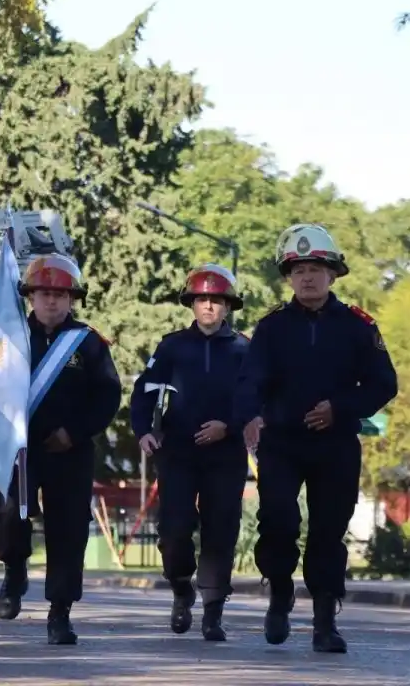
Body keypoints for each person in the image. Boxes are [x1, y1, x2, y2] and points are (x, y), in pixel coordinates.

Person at [235, 223, 398, 653]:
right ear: (288, 277)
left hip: (337, 446)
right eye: (298, 269)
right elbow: (251, 380)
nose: (307, 277)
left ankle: (325, 622)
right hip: (282, 444)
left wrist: (340, 408)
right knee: (278, 521)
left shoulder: (359, 326)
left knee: (328, 532)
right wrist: (249, 416)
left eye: (316, 268)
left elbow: (384, 384)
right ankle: (279, 594)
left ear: (333, 273)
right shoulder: (271, 328)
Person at [0, 253, 122, 645]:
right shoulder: (6, 339)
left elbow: (108, 397)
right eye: (45, 293)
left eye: (61, 295)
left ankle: (60, 612)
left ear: (72, 299)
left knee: (68, 531)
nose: (52, 302)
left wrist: (76, 432)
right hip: (19, 450)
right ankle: (14, 568)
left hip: (71, 450)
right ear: (30, 296)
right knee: (9, 516)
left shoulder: (89, 344)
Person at [129, 263, 250, 642]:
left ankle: (213, 611)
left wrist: (228, 427)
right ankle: (182, 588)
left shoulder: (245, 349)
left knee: (221, 531)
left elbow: (256, 399)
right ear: (192, 304)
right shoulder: (172, 346)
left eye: (216, 300)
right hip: (178, 451)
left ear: (228, 306)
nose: (209, 306)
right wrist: (144, 430)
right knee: (174, 531)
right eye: (202, 299)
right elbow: (143, 391)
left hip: (226, 454)